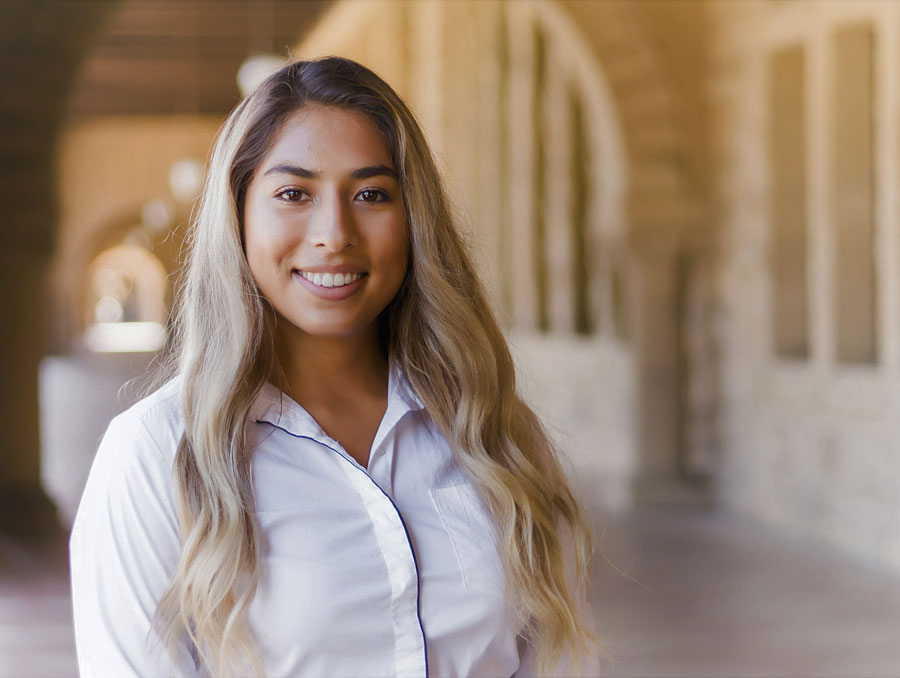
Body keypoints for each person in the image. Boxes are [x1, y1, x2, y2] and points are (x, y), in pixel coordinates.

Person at [69, 56, 601, 678]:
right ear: (238, 217)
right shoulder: (156, 455)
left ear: (413, 222)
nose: (334, 232)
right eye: (293, 194)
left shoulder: (494, 434)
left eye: (372, 194)